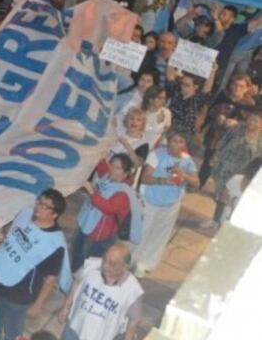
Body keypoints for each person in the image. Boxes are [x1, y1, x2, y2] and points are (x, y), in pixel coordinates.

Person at [0, 189, 72, 340]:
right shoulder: (25, 213)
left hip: (18, 295)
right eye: (39, 201)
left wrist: (38, 305)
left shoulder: (55, 244)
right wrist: (2, 235)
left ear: (55, 215)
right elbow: (11, 231)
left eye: (45, 206)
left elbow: (50, 279)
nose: (39, 207)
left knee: (12, 334)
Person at [134, 131, 199, 277]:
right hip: (150, 201)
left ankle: (145, 264)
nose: (177, 144)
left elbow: (196, 183)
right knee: (142, 232)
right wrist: (163, 180)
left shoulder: (187, 160)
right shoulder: (157, 154)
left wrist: (184, 175)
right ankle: (131, 259)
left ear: (185, 144)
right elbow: (145, 177)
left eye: (181, 141)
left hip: (171, 204)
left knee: (159, 235)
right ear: (168, 141)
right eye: (174, 141)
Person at [58, 243, 143, 340]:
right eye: (105, 259)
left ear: (125, 267)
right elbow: (76, 282)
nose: (105, 265)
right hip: (75, 327)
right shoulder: (90, 265)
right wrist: (66, 307)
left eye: (112, 263)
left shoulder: (133, 289)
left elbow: (134, 320)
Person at [70, 154, 140, 272]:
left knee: (87, 261)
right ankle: (73, 274)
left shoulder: (123, 192)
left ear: (125, 173)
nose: (112, 169)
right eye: (112, 165)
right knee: (76, 252)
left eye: (117, 168)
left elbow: (108, 208)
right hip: (86, 225)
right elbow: (101, 165)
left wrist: (92, 192)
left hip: (98, 235)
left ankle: (79, 280)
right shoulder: (108, 176)